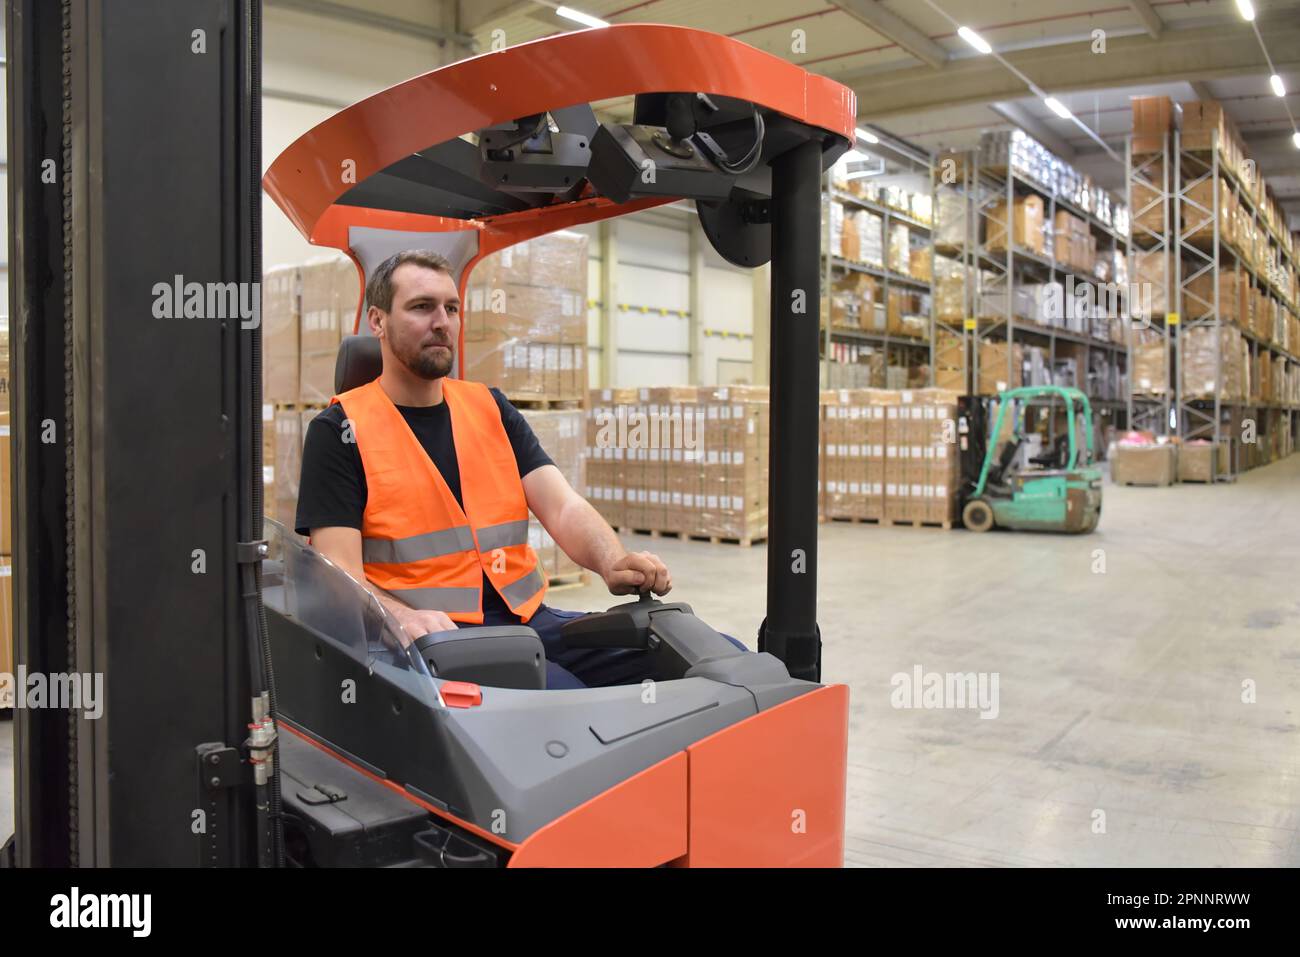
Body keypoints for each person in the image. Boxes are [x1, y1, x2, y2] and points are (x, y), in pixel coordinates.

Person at [296, 249, 745, 690]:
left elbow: (563, 506)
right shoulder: (339, 431)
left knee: (717, 659)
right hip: (439, 638)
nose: (442, 322)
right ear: (377, 321)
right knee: (569, 704)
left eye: (451, 308)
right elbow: (338, 573)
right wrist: (402, 617)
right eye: (422, 307)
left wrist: (612, 560)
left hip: (532, 620)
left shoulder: (489, 408)